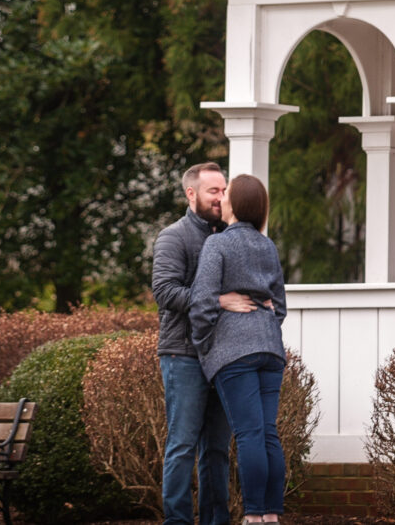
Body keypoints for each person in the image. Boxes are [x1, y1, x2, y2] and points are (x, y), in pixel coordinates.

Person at [152, 162, 264, 525]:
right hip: (183, 353)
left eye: (224, 191)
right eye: (212, 191)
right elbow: (165, 292)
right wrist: (220, 300)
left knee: (216, 449)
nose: (220, 197)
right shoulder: (174, 236)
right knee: (182, 445)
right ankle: (178, 520)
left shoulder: (232, 236)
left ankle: (216, 521)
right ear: (191, 194)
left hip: (223, 356)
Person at [189, 174, 287, 524]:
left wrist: (205, 348)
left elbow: (201, 303)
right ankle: (273, 514)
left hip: (235, 352)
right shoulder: (267, 246)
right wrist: (262, 325)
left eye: (226, 193)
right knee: (267, 432)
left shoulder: (217, 245)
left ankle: (254, 516)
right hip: (271, 350)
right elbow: (280, 306)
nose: (221, 198)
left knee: (248, 435)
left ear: (235, 203)